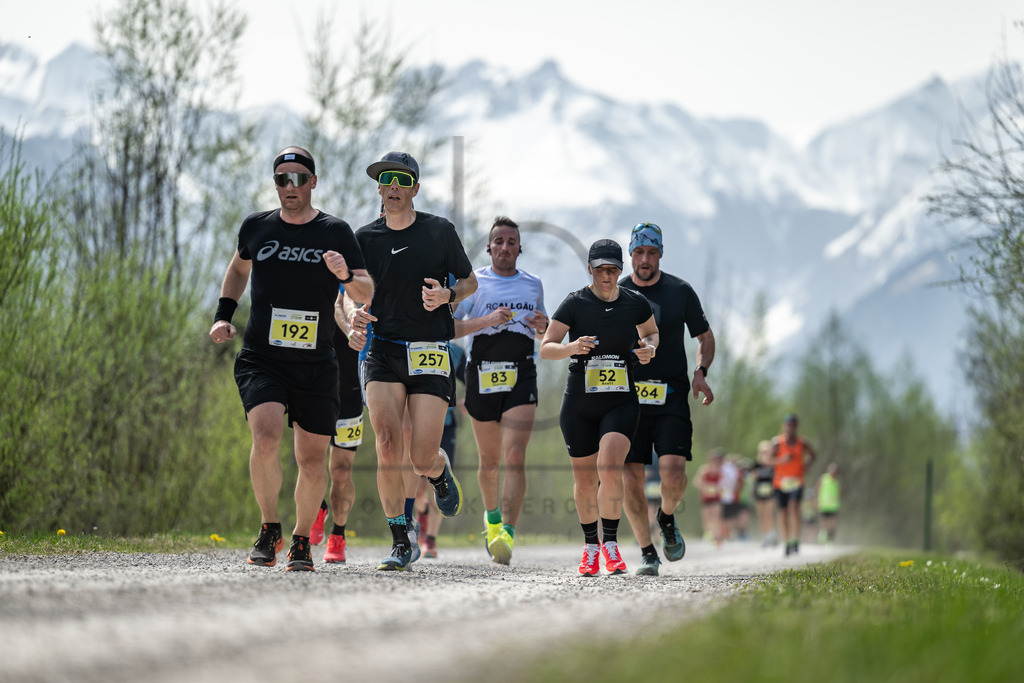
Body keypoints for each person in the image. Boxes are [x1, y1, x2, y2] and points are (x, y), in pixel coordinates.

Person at [210, 146, 372, 571]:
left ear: (313, 182)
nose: (290, 187)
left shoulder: (335, 231)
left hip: (315, 364)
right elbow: (238, 269)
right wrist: (223, 316)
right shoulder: (257, 226)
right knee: (264, 438)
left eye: (299, 179)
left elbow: (366, 290)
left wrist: (344, 275)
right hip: (262, 357)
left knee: (311, 459)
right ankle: (269, 529)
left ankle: (301, 539)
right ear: (276, 184)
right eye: (282, 179)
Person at [349, 151, 477, 571]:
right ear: (379, 188)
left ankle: (438, 472)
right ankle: (400, 538)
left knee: (420, 457)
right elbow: (348, 292)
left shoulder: (439, 231)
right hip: (383, 349)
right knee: (388, 445)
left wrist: (448, 296)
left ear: (415, 188)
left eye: (402, 180)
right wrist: (353, 315)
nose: (393, 186)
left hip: (429, 350)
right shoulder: (364, 238)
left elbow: (470, 281)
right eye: (386, 179)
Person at [540, 239, 658, 577]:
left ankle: (611, 545)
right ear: (589, 269)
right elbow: (547, 347)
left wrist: (649, 348)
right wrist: (572, 347)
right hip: (580, 402)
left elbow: (652, 333)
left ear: (621, 270)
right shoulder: (575, 303)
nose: (606, 276)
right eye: (600, 269)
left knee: (610, 467)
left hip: (620, 400)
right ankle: (591, 547)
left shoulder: (635, 302)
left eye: (613, 269)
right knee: (585, 480)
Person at [618, 222, 715, 576]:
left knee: (673, 475)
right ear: (631, 255)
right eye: (639, 252)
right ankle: (647, 551)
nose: (645, 259)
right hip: (627, 398)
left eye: (651, 252)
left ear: (660, 254)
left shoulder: (680, 291)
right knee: (630, 477)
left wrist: (701, 371)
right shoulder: (616, 292)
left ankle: (667, 516)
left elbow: (705, 337)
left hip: (671, 395)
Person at [453, 216, 548, 565]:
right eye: (499, 241)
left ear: (520, 248)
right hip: (481, 373)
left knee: (516, 456)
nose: (505, 247)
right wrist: (488, 320)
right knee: (490, 463)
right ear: (489, 247)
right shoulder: (474, 283)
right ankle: (492, 520)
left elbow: (545, 331)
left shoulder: (533, 284)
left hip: (521, 372)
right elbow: (449, 327)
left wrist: (544, 326)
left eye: (511, 242)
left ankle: (507, 532)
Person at [308, 286, 366, 564]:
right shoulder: (312, 278)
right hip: (314, 385)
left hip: (349, 391)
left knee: (341, 472)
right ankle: (317, 507)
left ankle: (338, 534)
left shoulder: (359, 281)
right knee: (311, 461)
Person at [416, 342, 467, 559]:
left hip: (446, 425)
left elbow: (472, 380)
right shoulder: (411, 341)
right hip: (417, 422)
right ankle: (422, 514)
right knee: (418, 489)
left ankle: (430, 539)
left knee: (439, 484)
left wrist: (470, 400)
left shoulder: (455, 352)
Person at [760, 413, 818, 556]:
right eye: (787, 425)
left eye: (792, 425)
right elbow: (766, 460)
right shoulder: (777, 443)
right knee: (783, 512)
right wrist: (781, 461)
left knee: (795, 507)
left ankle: (795, 540)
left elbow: (813, 455)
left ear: (796, 427)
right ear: (783, 426)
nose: (790, 428)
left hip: (797, 481)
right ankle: (786, 541)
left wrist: (807, 464)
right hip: (780, 483)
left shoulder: (803, 443)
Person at [694, 449, 724, 544]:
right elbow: (696, 481)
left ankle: (717, 535)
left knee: (716, 516)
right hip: (706, 498)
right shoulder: (704, 469)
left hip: (716, 498)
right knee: (706, 516)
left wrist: (718, 488)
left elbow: (724, 484)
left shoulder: (721, 470)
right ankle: (708, 533)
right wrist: (705, 486)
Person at [752, 440, 779, 547]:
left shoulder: (773, 464)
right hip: (759, 492)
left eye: (767, 451)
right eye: (763, 452)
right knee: (761, 515)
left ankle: (771, 534)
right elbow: (752, 477)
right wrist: (757, 473)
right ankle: (764, 536)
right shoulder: (756, 464)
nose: (765, 454)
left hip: (770, 493)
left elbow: (777, 476)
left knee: (769, 514)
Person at [816, 462, 841, 544]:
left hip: (834, 505)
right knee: (824, 521)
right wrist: (816, 500)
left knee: (833, 523)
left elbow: (839, 492)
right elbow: (817, 489)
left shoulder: (837, 481)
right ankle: (823, 534)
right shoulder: (823, 479)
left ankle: (830, 539)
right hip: (824, 504)